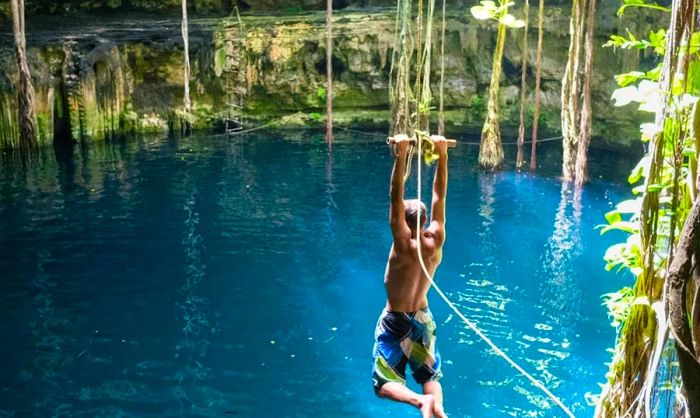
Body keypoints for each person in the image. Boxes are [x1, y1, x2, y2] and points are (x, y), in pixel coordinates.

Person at [373, 135, 449, 418]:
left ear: (403, 223)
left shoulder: (403, 244)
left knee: (383, 383)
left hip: (397, 320)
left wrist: (401, 154)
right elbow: (440, 196)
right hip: (423, 317)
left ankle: (421, 403)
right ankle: (437, 410)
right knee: (429, 376)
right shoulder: (435, 240)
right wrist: (442, 154)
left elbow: (394, 196)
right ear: (425, 219)